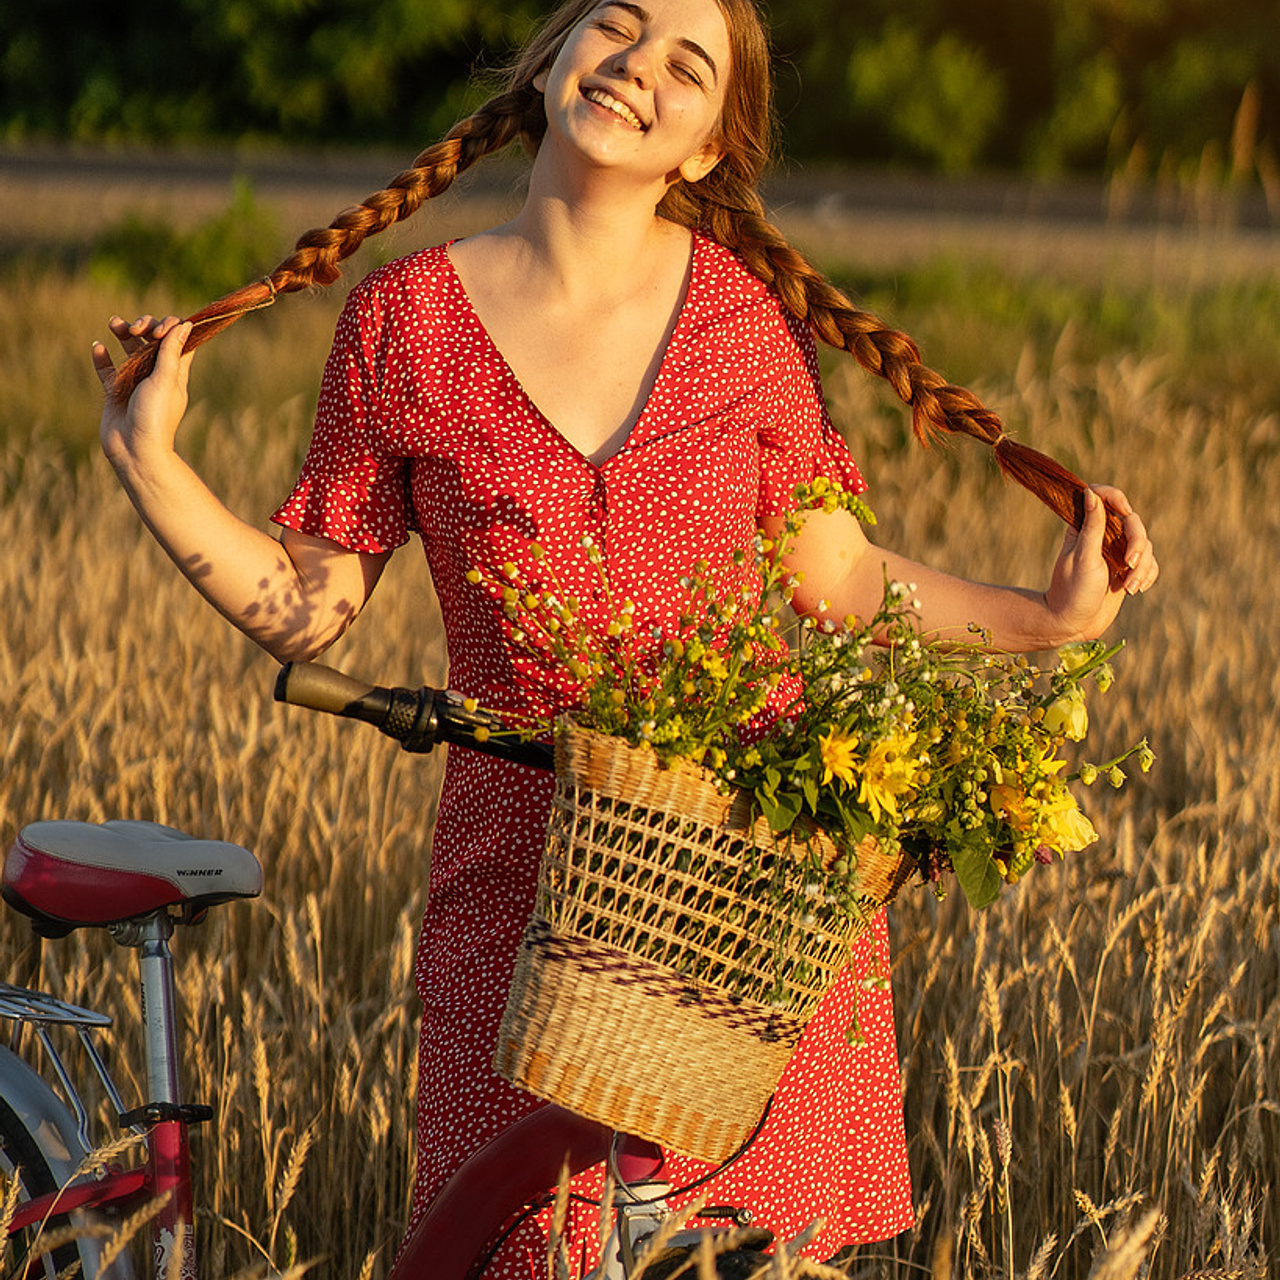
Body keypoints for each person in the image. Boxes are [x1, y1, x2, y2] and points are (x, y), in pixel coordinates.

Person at [93, 0, 1159, 1272]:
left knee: (750, 1252)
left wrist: (1042, 620)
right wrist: (145, 458)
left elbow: (834, 574)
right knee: (530, 1243)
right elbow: (313, 602)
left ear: (706, 147)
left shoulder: (739, 323)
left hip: (746, 880)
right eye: (616, 23)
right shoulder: (404, 320)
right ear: (549, 59)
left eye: (686, 65)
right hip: (527, 890)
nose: (638, 68)